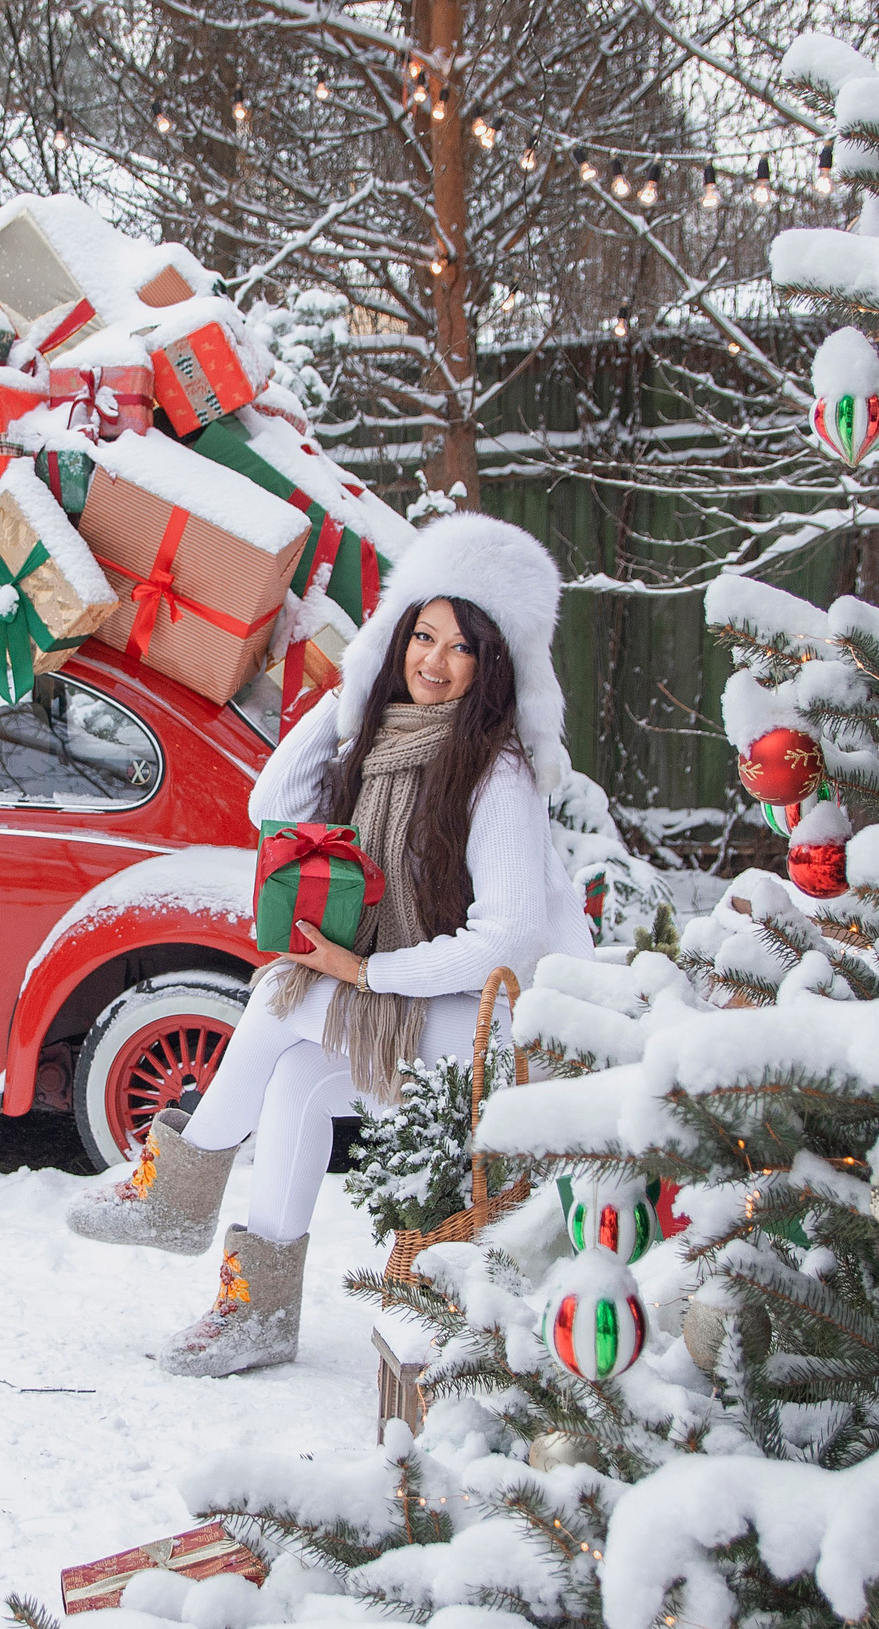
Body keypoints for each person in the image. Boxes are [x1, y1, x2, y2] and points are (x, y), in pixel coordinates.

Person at [64, 514, 593, 1376]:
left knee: (287, 997)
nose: (432, 660)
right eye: (419, 634)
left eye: (461, 647)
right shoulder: (381, 739)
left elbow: (512, 942)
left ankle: (179, 1190)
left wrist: (365, 968)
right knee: (298, 1084)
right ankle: (258, 1310)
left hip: (505, 1030)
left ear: (494, 664)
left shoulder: (496, 771)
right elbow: (274, 810)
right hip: (429, 1008)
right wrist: (344, 694)